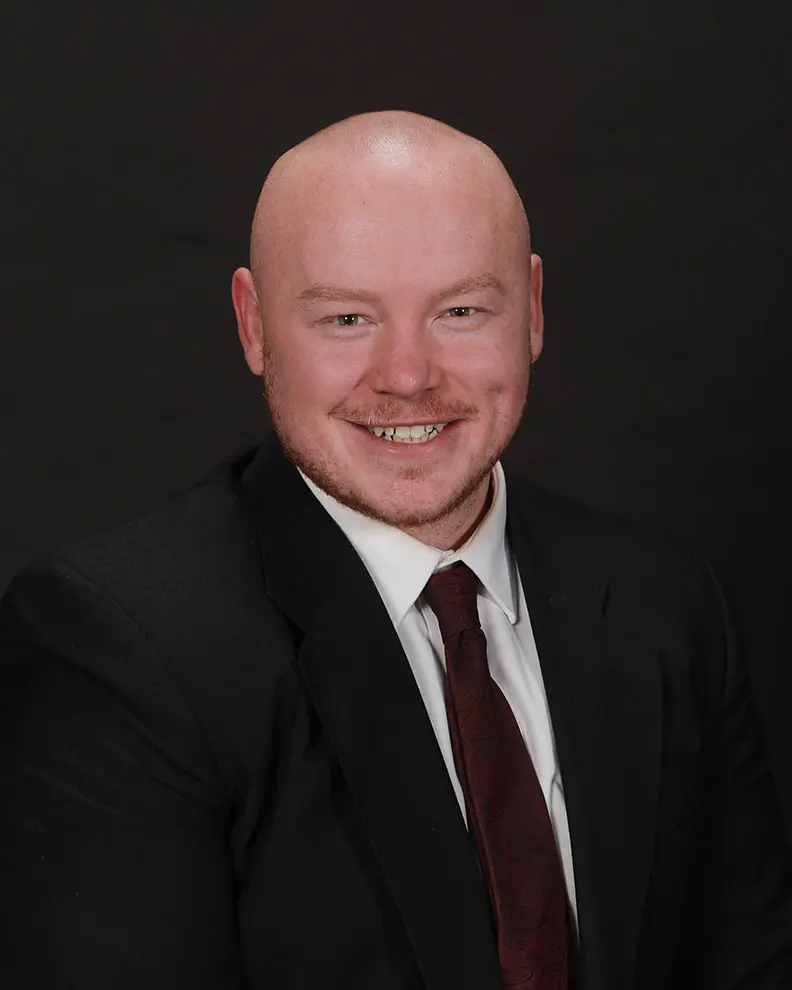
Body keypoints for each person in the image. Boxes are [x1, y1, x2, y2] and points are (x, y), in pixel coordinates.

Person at [1, 110, 790, 990]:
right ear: (254, 326)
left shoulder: (668, 606)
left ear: (530, 310)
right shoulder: (114, 650)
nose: (408, 375)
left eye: (459, 309)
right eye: (345, 318)